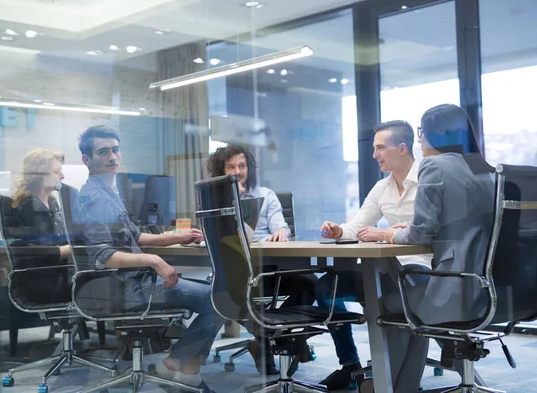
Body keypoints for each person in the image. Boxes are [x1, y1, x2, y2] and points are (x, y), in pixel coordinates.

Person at [76, 125, 223, 392]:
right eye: (103, 151)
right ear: (87, 159)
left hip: (132, 283)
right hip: (124, 289)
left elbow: (136, 237)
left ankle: (186, 371)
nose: (112, 157)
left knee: (219, 295)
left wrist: (177, 237)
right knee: (223, 299)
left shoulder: (108, 192)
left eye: (115, 150)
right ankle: (174, 366)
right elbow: (103, 256)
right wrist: (154, 260)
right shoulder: (95, 198)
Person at [377, 104, 495, 392]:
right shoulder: (483, 168)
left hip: (454, 290)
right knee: (412, 298)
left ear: (434, 134)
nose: (419, 140)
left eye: (421, 132)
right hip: (488, 289)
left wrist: (392, 235)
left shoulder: (434, 165)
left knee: (386, 304)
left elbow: (421, 232)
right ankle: (405, 387)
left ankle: (396, 387)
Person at [315, 120, 432, 391]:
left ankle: (391, 382)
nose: (374, 154)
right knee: (326, 287)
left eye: (380, 147)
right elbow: (358, 224)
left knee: (390, 300)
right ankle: (357, 367)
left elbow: (430, 230)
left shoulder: (429, 178)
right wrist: (338, 230)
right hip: (385, 268)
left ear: (402, 148)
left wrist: (386, 234)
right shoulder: (382, 187)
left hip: (421, 269)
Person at [207, 144, 318, 374]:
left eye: (242, 166)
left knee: (309, 284)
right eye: (231, 167)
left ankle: (273, 338)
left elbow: (280, 225)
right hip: (235, 270)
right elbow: (216, 236)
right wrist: (232, 199)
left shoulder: (266, 195)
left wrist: (282, 232)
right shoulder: (214, 201)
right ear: (222, 170)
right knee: (228, 294)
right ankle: (269, 342)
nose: (238, 171)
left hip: (269, 269)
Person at [10, 148, 73, 304]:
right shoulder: (30, 206)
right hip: (45, 283)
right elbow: (47, 252)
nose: (63, 176)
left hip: (57, 276)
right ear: (39, 175)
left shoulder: (51, 203)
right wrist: (81, 247)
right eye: (56, 171)